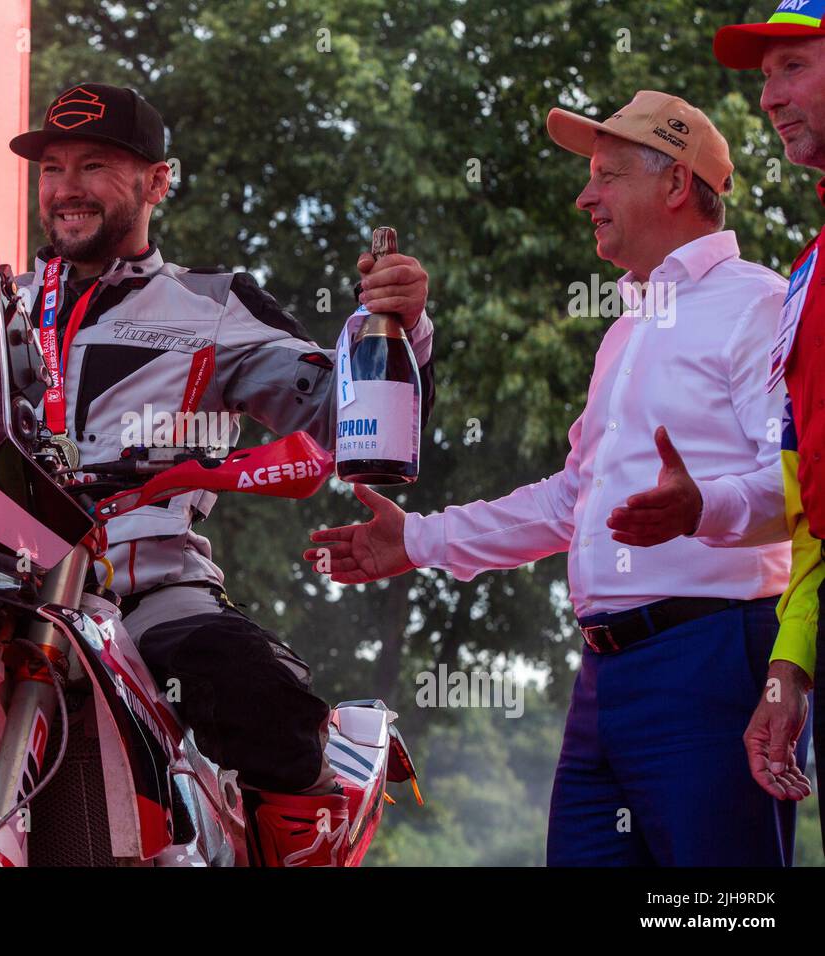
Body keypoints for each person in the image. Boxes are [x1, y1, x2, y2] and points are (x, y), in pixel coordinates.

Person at [0, 82, 437, 866]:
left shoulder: (211, 304)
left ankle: (309, 831)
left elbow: (342, 418)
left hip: (140, 582)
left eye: (94, 165)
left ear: (157, 182)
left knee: (245, 682)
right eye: (52, 169)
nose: (66, 188)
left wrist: (400, 331)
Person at [307, 91, 807, 865]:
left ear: (676, 184)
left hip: (711, 658)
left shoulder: (759, 304)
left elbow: (803, 489)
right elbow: (574, 498)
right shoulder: (626, 330)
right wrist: (418, 539)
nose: (585, 196)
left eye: (607, 176)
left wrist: (702, 506)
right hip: (604, 675)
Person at [715, 2, 825, 851]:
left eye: (793, 65)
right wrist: (788, 673)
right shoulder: (806, 274)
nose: (768, 97)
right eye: (764, 79)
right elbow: (808, 505)